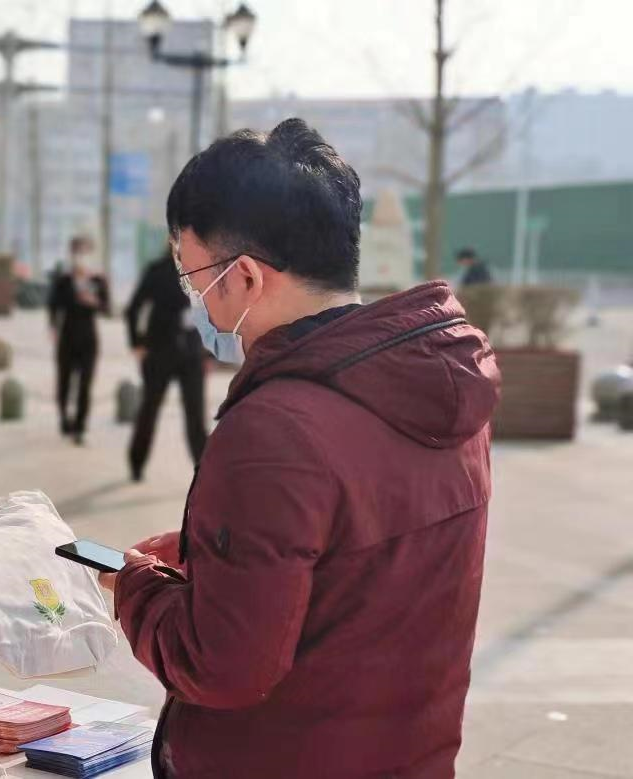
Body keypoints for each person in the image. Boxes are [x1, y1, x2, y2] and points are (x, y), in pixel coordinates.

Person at [99, 119, 501, 778]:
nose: (192, 296)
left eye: (190, 271)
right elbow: (365, 563)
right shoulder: (445, 388)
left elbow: (221, 664)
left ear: (247, 278)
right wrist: (218, 549)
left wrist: (135, 586)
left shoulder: (274, 429)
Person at [125, 250, 209, 481]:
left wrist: (210, 352)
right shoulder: (157, 270)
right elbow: (133, 308)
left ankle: (205, 473)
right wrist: (137, 343)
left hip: (192, 354)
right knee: (149, 410)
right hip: (160, 351)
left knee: (196, 416)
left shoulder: (201, 267)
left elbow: (212, 309)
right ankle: (136, 464)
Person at [48, 235, 110, 445]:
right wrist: (53, 328)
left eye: (86, 252)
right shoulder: (63, 281)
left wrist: (94, 301)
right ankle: (65, 418)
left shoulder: (98, 280)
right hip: (67, 337)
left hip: (89, 339)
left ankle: (80, 426)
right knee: (65, 383)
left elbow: (106, 307)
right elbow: (53, 306)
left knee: (85, 384)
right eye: (78, 252)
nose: (82, 257)